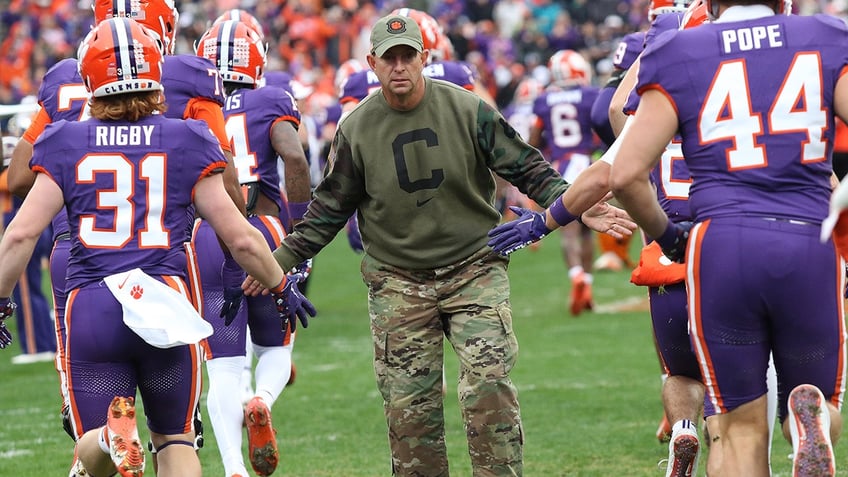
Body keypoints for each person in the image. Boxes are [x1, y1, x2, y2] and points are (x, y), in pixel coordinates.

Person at [244, 13, 633, 476]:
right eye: (390, 59)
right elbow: (327, 211)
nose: (400, 67)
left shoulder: (466, 109)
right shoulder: (357, 129)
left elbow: (526, 166)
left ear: (425, 58)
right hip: (397, 281)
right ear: (373, 63)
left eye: (408, 56)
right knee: (410, 413)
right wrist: (277, 261)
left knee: (489, 387)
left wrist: (571, 204)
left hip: (474, 267)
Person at [0, 17, 310, 477]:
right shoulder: (186, 138)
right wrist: (281, 283)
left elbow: (21, 235)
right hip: (165, 305)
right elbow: (240, 235)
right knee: (176, 440)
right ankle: (121, 439)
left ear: (90, 79)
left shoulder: (65, 141)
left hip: (92, 305)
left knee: (96, 454)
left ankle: (108, 438)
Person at [607, 0, 846, 475]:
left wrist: (671, 239)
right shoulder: (825, 35)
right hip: (807, 236)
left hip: (721, 243)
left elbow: (627, 174)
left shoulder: (678, 48)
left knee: (737, 430)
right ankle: (806, 426)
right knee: (822, 397)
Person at [193, 18, 313, 477]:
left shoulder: (195, 103)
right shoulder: (271, 97)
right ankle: (261, 400)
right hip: (263, 230)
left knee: (223, 364)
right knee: (276, 347)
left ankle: (232, 469)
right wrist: (299, 230)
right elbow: (296, 158)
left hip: (209, 232)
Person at [528, 49, 601, 316]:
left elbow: (535, 139)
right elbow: (601, 125)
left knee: (567, 229)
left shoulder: (544, 99)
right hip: (585, 165)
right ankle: (589, 284)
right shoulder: (590, 95)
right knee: (586, 229)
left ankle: (576, 275)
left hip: (559, 167)